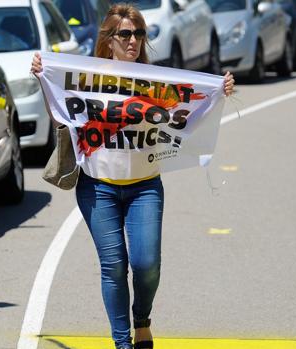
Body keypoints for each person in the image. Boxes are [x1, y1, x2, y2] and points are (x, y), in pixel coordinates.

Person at [30, 4, 234, 349]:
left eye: (139, 33)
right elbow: (62, 115)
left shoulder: (156, 84)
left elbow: (192, 107)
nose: (134, 40)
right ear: (109, 40)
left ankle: (142, 320)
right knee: (113, 266)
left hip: (144, 188)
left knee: (146, 264)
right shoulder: (85, 77)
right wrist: (43, 76)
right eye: (125, 34)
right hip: (97, 188)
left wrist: (219, 89)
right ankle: (123, 343)